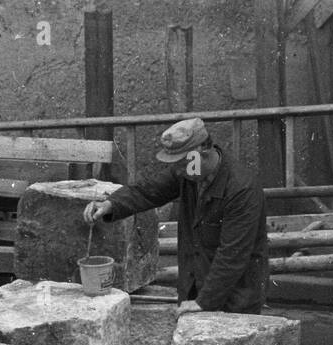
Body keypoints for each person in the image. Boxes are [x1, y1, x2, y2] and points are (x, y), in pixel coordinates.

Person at [83, 117, 269, 314]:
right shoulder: (189, 171)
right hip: (197, 290)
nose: (178, 170)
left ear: (201, 152)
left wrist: (203, 302)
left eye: (182, 162)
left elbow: (232, 255)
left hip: (236, 299)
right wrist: (111, 204)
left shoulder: (242, 189)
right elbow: (148, 190)